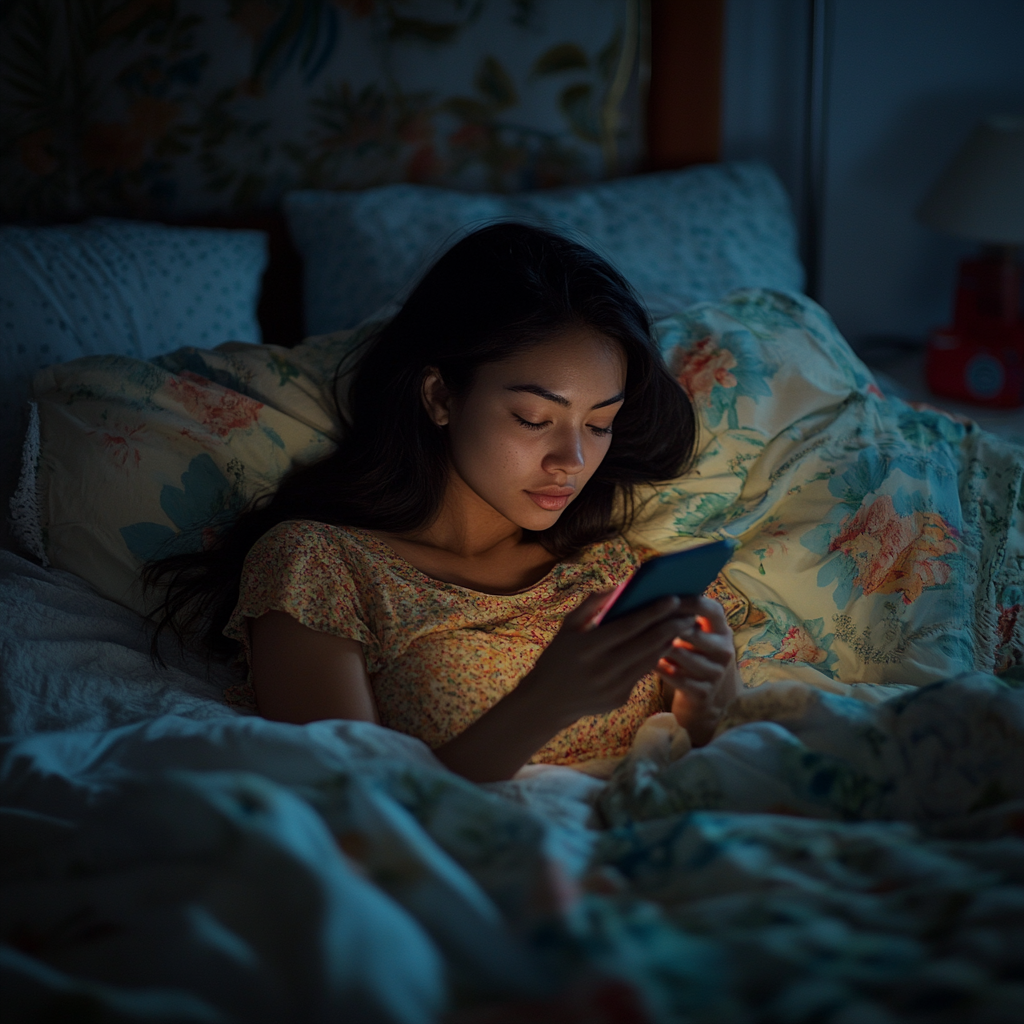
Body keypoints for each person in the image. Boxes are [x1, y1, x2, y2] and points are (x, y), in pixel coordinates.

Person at [147, 223, 740, 783]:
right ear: (439, 397)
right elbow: (355, 808)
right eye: (535, 419)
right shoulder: (320, 567)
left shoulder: (605, 569)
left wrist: (707, 710)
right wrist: (546, 703)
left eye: (601, 424)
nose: (573, 461)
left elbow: (682, 767)